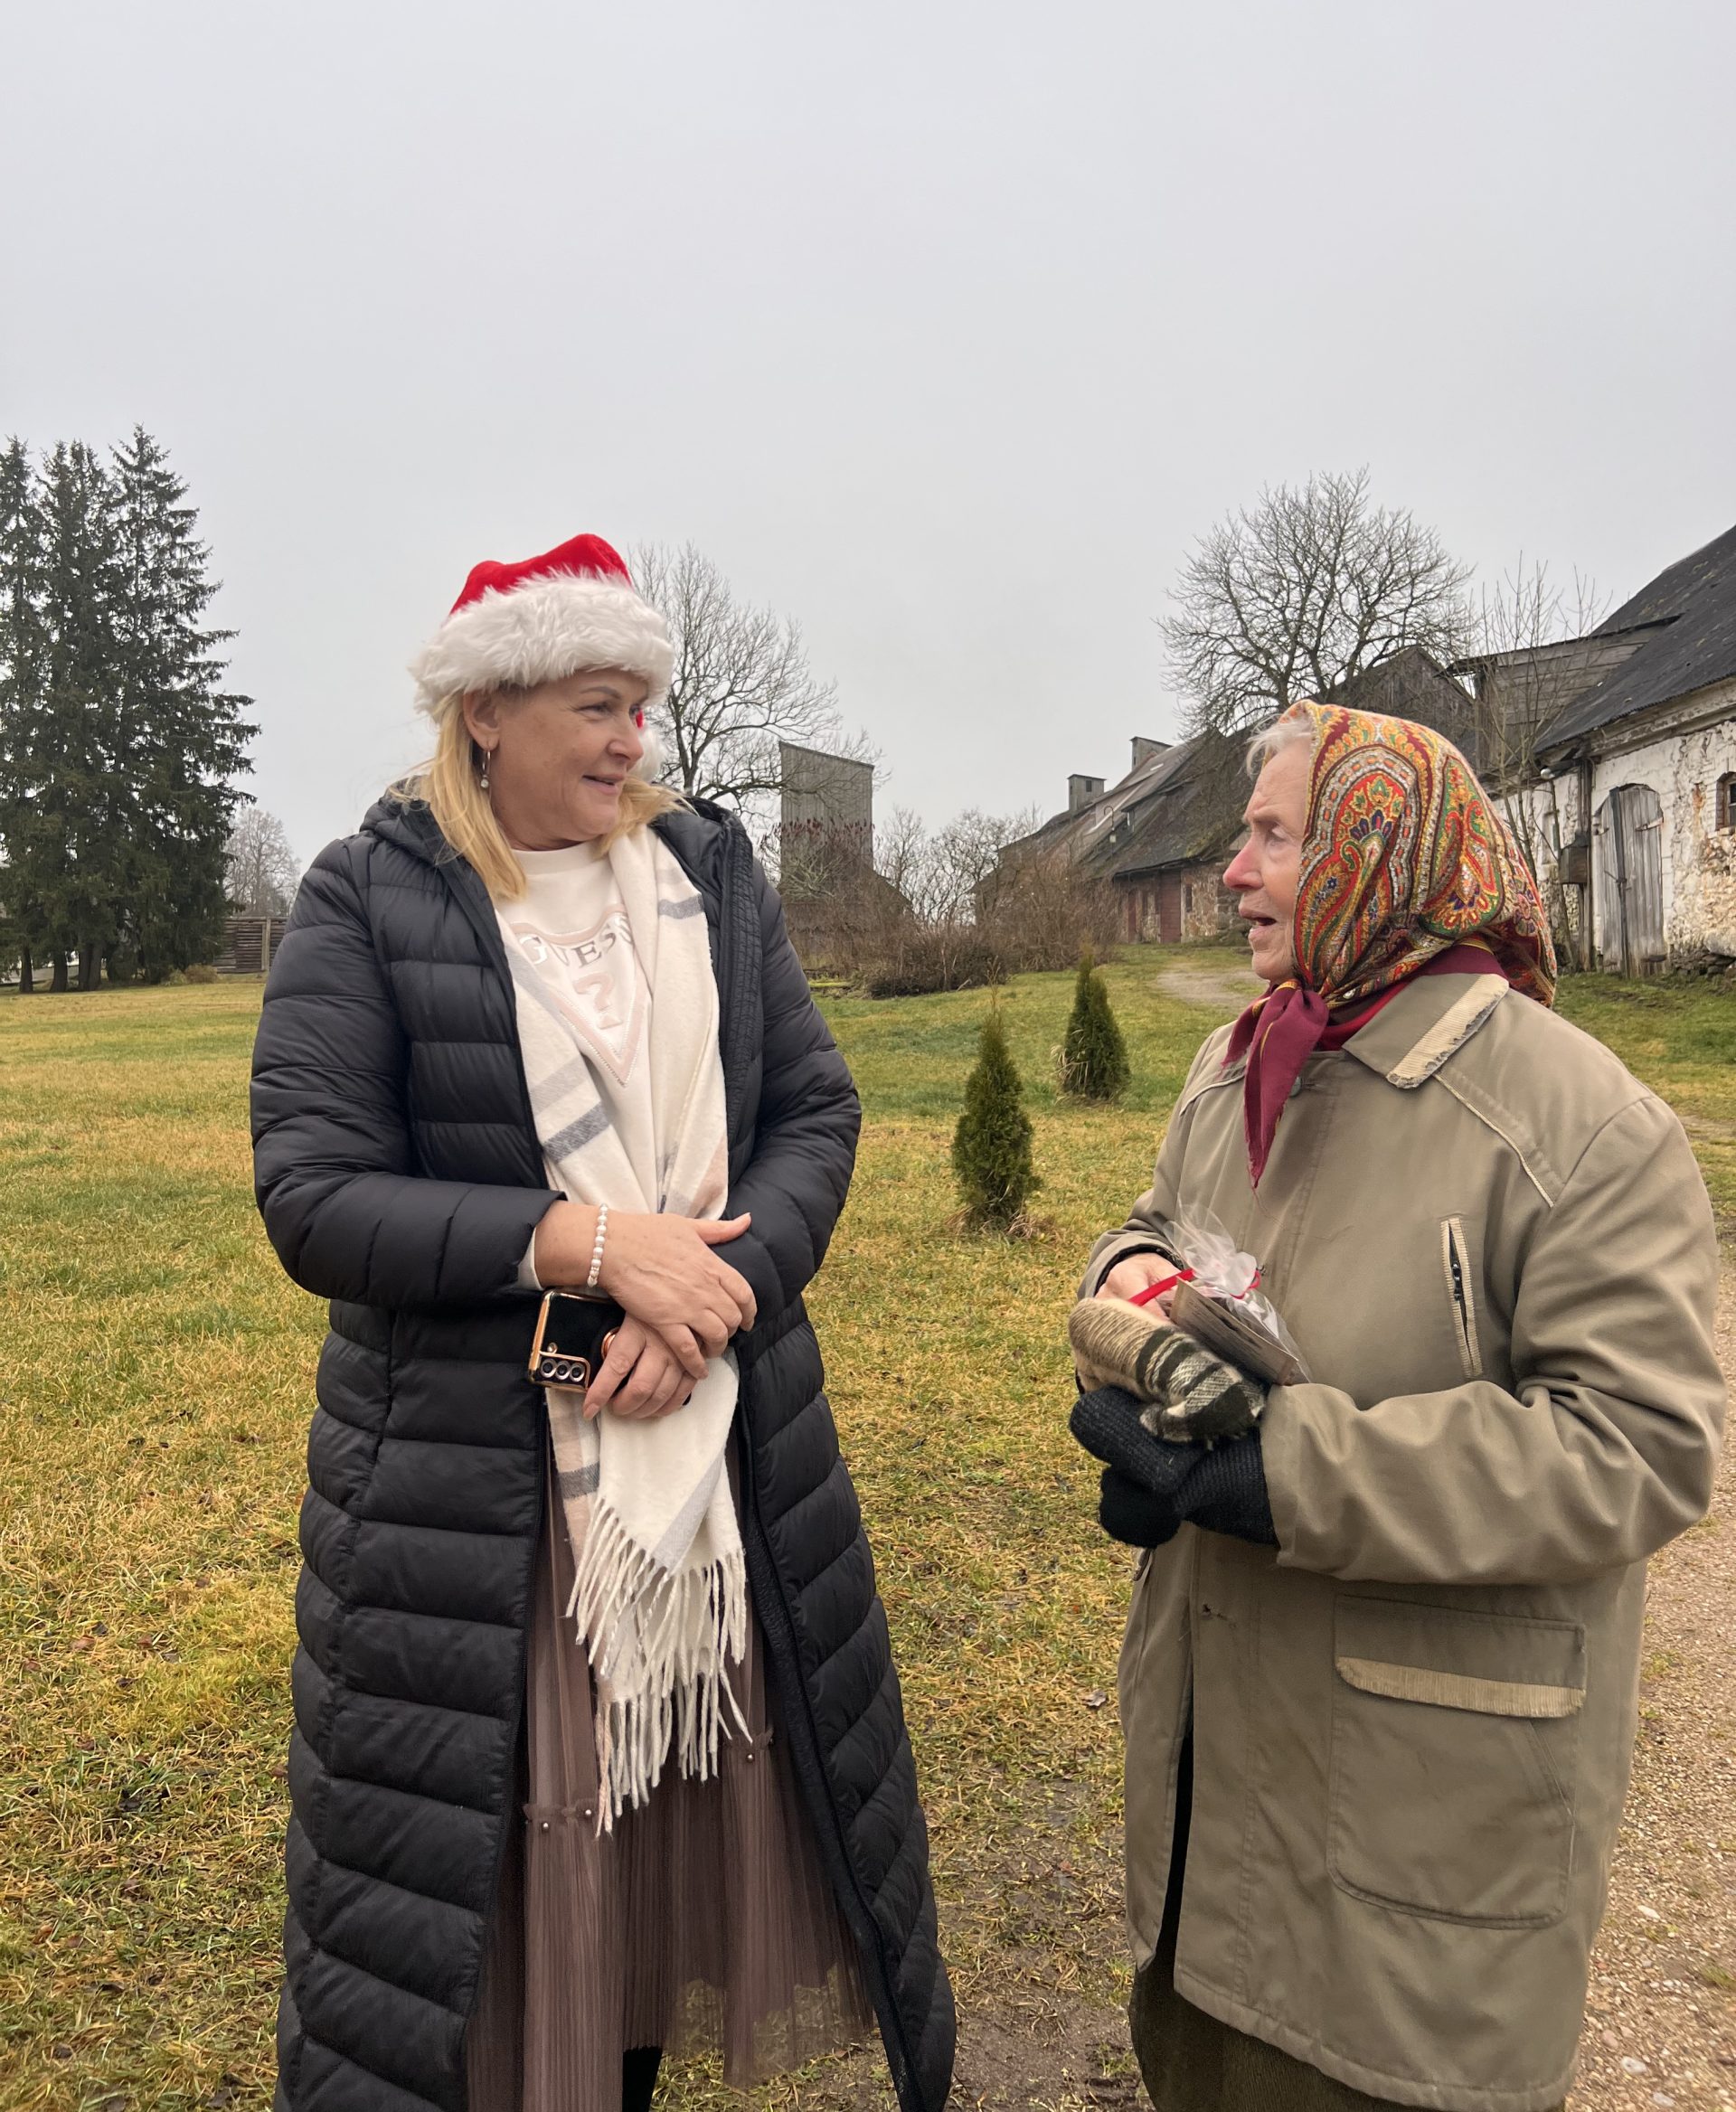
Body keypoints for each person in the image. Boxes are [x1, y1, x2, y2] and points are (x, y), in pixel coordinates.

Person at [250, 534, 954, 2112]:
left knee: (643, 1887)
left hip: (718, 1476)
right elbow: (314, 1197)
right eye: (597, 706)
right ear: (485, 712)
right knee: (504, 1916)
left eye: (642, 707)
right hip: (483, 1519)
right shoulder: (366, 895)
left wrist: (715, 1297)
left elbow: (815, 1114)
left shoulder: (709, 877)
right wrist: (590, 1244)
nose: (635, 742)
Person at [1068, 701, 1723, 2112]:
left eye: (1273, 835)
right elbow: (1156, 1229)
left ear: (1380, 853)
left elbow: (1643, 1447)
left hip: (1415, 1874)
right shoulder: (1241, 1067)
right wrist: (1129, 1324)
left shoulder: (1582, 1125)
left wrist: (1280, 1473)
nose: (1234, 869)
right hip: (1208, 1825)